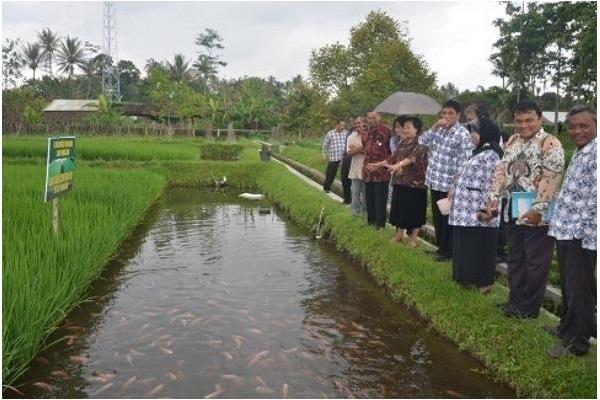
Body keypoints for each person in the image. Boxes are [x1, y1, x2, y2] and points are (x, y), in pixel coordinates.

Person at [485, 100, 565, 319]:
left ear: (540, 119)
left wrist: (538, 208)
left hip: (537, 215)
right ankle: (515, 302)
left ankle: (529, 310)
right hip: (512, 209)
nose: (524, 125)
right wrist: (493, 197)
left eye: (529, 120)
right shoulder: (512, 140)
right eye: (519, 121)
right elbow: (501, 171)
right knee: (516, 259)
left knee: (535, 263)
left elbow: (551, 178)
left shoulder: (550, 143)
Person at [546, 105, 596, 358]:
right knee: (569, 286)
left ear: (596, 125)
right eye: (573, 126)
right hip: (566, 230)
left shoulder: (596, 154)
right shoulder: (581, 152)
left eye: (584, 126)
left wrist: (583, 235)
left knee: (580, 290)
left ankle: (577, 343)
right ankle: (566, 329)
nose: (577, 131)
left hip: (580, 235)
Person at [449, 117, 503, 294]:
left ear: (485, 133)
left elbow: (496, 183)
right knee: (466, 245)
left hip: (479, 209)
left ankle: (483, 284)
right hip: (464, 209)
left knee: (481, 246)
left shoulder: (492, 154)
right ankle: (465, 278)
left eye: (475, 131)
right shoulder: (477, 151)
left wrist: (489, 209)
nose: (471, 135)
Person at [419, 99, 472, 261]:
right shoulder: (439, 130)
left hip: (448, 184)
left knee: (447, 219)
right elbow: (421, 141)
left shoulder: (462, 134)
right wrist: (434, 127)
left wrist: (455, 186)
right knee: (437, 217)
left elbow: (465, 162)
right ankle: (441, 248)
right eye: (444, 113)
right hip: (435, 180)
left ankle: (448, 252)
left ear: (458, 115)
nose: (446, 116)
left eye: (450, 113)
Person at [370, 116, 428, 247]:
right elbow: (393, 158)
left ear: (417, 129)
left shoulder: (421, 143)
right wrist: (379, 164)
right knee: (399, 208)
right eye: (404, 127)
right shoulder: (403, 142)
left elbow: (412, 158)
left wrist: (398, 165)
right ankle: (400, 234)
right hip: (400, 181)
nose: (405, 130)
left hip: (415, 184)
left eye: (408, 127)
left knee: (415, 211)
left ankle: (413, 239)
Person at [363, 111, 391, 228]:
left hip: (381, 173)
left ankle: (380, 225)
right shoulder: (366, 133)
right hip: (367, 172)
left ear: (379, 117)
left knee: (380, 201)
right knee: (369, 199)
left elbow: (392, 152)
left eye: (374, 117)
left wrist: (384, 164)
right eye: (369, 118)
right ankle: (370, 223)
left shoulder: (387, 131)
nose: (371, 120)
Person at [346, 117, 367, 217]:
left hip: (367, 170)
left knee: (367, 195)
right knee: (355, 195)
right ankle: (355, 215)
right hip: (355, 170)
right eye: (356, 123)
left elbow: (370, 151)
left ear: (364, 123)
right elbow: (349, 152)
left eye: (359, 123)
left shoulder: (369, 135)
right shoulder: (351, 136)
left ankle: (366, 215)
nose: (357, 125)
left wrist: (356, 149)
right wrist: (362, 148)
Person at [321, 120, 347, 193]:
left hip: (343, 158)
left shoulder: (345, 133)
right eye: (342, 125)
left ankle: (345, 191)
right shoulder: (330, 134)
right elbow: (325, 145)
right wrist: (324, 155)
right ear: (337, 125)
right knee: (330, 174)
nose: (343, 127)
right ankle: (326, 188)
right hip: (333, 157)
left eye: (344, 126)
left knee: (344, 175)